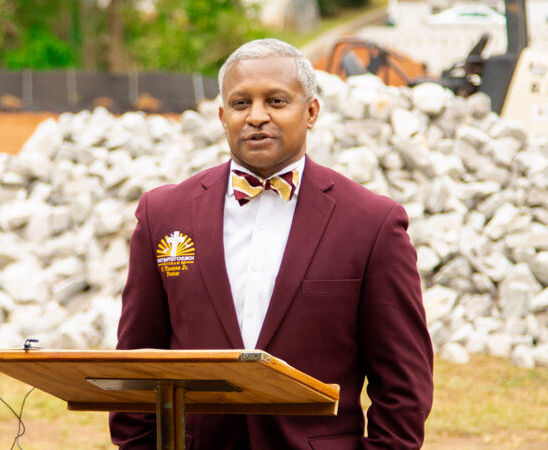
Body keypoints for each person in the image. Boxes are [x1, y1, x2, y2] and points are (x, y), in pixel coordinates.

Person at [110, 38, 433, 449]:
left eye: (276, 102)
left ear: (311, 112)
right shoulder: (163, 214)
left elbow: (403, 383)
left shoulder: (372, 223)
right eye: (241, 103)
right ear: (222, 116)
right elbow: (137, 361)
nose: (257, 116)